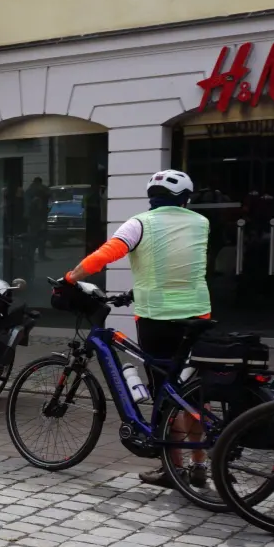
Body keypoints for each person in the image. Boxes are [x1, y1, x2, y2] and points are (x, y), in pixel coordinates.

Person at [66, 169, 209, 488]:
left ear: (152, 198)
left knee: (164, 392)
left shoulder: (140, 223)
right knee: (194, 390)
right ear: (185, 198)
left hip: (157, 318)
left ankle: (172, 469)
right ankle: (200, 465)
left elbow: (105, 255)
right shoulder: (202, 223)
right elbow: (179, 263)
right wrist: (133, 292)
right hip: (198, 315)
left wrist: (70, 277)